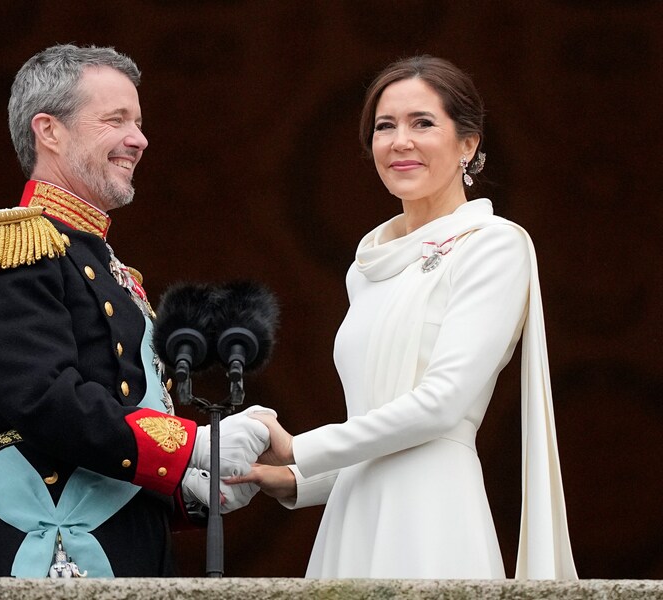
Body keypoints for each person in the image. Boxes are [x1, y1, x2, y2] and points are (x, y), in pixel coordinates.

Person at [231, 56, 577, 580]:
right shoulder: (369, 264)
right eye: (384, 127)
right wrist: (299, 479)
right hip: (353, 513)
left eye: (423, 123)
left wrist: (300, 447)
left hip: (434, 514)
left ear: (469, 145)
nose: (400, 141)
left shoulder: (494, 247)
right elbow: (378, 426)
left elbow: (440, 408)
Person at [0, 44, 271, 578]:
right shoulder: (10, 248)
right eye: (115, 119)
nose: (139, 139)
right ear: (49, 130)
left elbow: (117, 438)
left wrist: (186, 490)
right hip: (59, 555)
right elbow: (46, 401)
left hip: (134, 552)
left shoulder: (107, 265)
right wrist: (192, 446)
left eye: (139, 121)